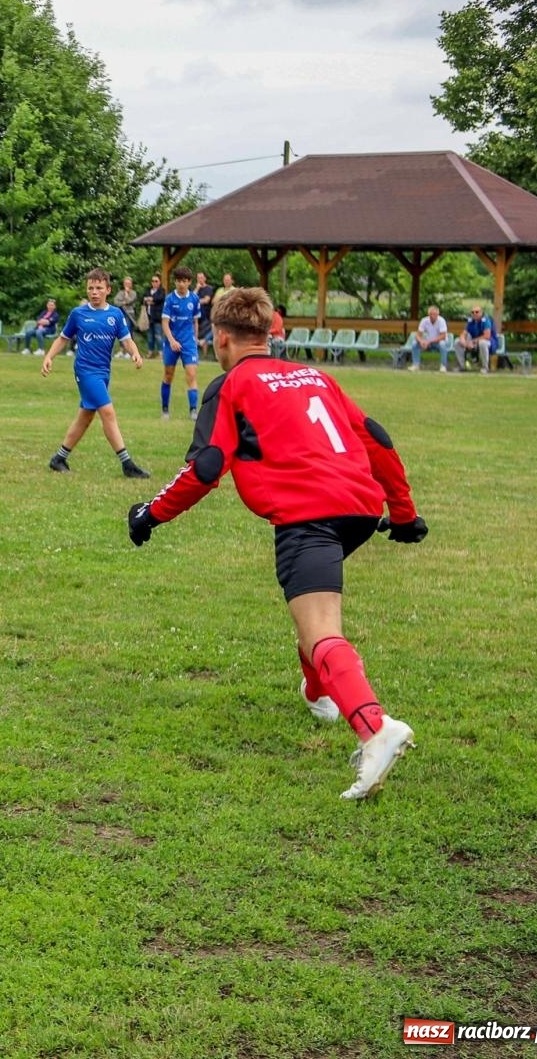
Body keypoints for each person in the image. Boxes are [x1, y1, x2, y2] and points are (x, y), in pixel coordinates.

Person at [126, 287, 424, 800]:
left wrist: (149, 514)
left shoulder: (232, 383)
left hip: (309, 518)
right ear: (269, 333)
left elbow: (207, 467)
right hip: (358, 510)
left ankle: (375, 728)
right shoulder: (317, 376)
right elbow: (377, 438)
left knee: (323, 630)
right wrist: (403, 513)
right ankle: (318, 692)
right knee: (310, 613)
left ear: (220, 338)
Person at [42, 269, 150, 478]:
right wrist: (49, 356)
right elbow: (63, 338)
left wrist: (135, 353)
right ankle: (127, 463)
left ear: (108, 290)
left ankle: (59, 458)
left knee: (85, 417)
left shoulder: (115, 315)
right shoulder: (78, 313)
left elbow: (126, 340)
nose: (94, 292)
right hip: (85, 371)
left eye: (99, 288)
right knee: (107, 413)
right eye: (91, 288)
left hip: (103, 372)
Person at [160, 266, 202, 421]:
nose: (181, 284)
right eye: (178, 281)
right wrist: (172, 341)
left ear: (189, 282)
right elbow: (164, 323)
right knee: (168, 375)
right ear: (175, 282)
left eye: (184, 281)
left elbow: (195, 321)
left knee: (191, 374)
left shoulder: (194, 299)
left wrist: (195, 338)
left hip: (188, 342)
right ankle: (165, 409)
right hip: (172, 342)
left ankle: (193, 411)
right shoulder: (170, 299)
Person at [413, 305, 448, 372]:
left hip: (438, 342)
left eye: (435, 314)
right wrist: (421, 342)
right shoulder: (424, 320)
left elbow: (443, 336)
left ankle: (443, 366)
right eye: (431, 314)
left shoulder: (441, 320)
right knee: (414, 344)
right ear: (428, 314)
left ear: (438, 314)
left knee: (442, 344)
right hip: (428, 342)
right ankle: (415, 365)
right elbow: (417, 335)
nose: (433, 316)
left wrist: (429, 341)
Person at [460, 306, 494, 373]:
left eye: (477, 312)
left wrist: (471, 342)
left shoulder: (486, 320)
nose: (474, 313)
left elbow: (487, 336)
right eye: (472, 312)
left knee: (482, 343)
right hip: (474, 342)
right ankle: (462, 366)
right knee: (457, 342)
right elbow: (463, 333)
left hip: (489, 342)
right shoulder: (470, 321)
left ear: (481, 313)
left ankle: (485, 367)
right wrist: (462, 340)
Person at [112, 276, 141, 352]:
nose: (127, 285)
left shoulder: (133, 293)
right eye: (126, 283)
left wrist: (126, 294)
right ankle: (122, 350)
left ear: (131, 284)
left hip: (130, 316)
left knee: (128, 332)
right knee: (121, 332)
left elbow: (129, 301)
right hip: (121, 314)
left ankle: (130, 351)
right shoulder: (120, 293)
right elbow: (115, 301)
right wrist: (123, 302)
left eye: (129, 283)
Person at [144, 274, 166, 357]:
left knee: (158, 335)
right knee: (150, 336)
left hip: (157, 317)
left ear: (159, 282)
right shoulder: (148, 290)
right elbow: (143, 298)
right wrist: (151, 300)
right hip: (149, 317)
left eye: (156, 281)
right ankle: (150, 352)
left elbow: (160, 298)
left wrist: (151, 299)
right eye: (152, 281)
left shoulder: (162, 291)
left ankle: (161, 352)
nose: (154, 283)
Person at [194, 271, 215, 349]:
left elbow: (206, 300)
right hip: (196, 317)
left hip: (206, 316)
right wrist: (196, 288)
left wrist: (196, 301)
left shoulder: (209, 288)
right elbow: (190, 299)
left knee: (203, 335)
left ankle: (205, 356)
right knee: (196, 336)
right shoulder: (196, 289)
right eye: (198, 278)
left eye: (201, 278)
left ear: (205, 279)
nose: (200, 279)